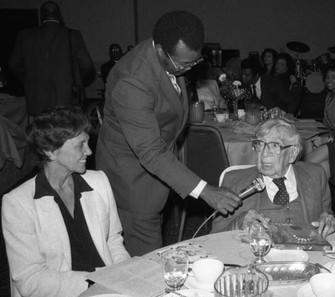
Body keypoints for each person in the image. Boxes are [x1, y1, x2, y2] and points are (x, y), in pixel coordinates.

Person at [96, 11, 241, 256]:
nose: (189, 69)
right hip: (133, 181)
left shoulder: (170, 60)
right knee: (145, 261)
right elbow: (150, 151)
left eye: (194, 62)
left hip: (157, 172)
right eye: (184, 64)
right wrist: (205, 190)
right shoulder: (133, 81)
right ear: (161, 50)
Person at [2, 107, 130, 297]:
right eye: (80, 145)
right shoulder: (18, 203)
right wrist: (96, 284)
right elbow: (29, 280)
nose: (89, 150)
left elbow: (113, 240)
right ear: (50, 152)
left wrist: (125, 275)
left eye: (88, 142)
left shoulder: (98, 182)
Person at [211, 119, 335, 237]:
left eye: (274, 146)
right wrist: (239, 223)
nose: (264, 154)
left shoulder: (316, 175)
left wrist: (330, 220)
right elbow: (213, 237)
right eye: (260, 145)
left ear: (293, 154)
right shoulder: (234, 181)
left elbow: (328, 216)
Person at [9, 1, 95, 116]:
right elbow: (87, 66)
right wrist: (78, 80)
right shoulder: (71, 35)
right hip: (67, 100)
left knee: (42, 131)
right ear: (59, 15)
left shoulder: (25, 36)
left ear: (41, 16)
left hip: (37, 100)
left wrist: (29, 81)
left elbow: (14, 64)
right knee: (68, 131)